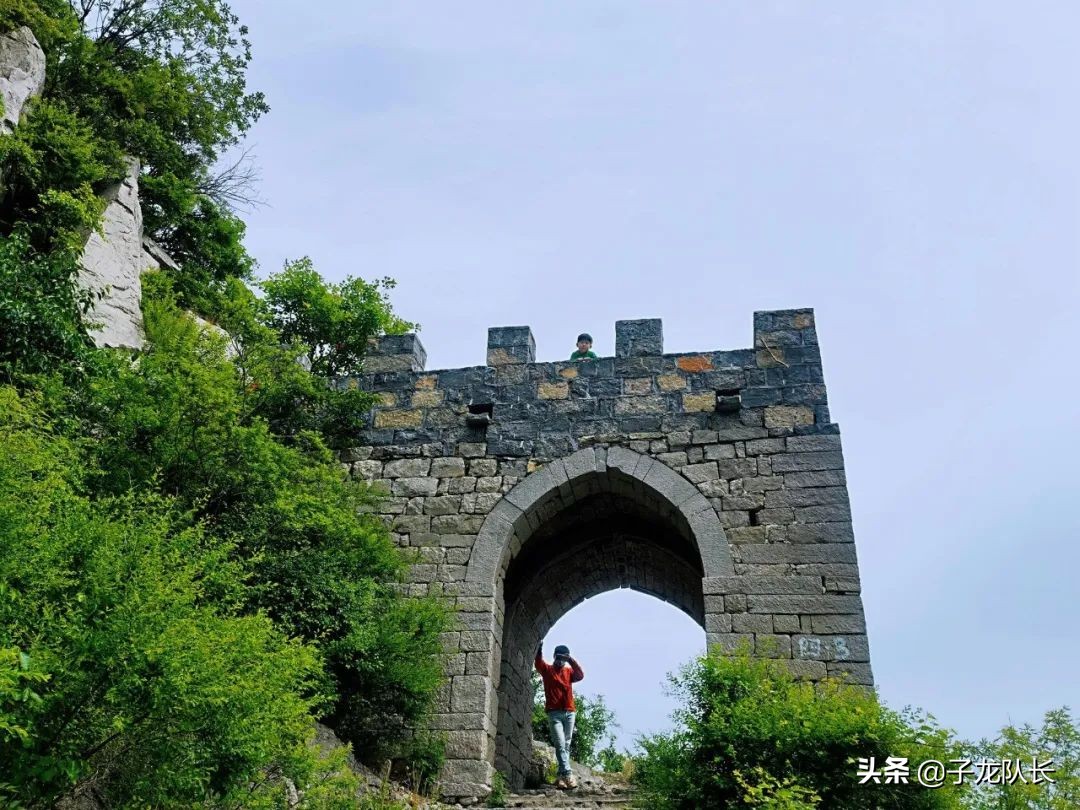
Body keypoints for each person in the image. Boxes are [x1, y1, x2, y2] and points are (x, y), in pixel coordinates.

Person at [535, 643, 585, 789]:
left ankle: (561, 778)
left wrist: (571, 660)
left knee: (567, 745)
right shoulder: (547, 670)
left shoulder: (569, 672)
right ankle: (568, 774)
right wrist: (539, 650)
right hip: (554, 713)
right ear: (554, 656)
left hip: (570, 712)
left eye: (564, 658)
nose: (560, 661)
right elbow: (538, 663)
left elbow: (580, 675)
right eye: (559, 657)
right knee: (560, 743)